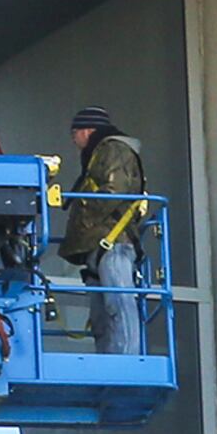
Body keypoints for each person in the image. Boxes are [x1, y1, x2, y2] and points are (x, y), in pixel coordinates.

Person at [55, 105, 152, 356]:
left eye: (74, 133)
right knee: (103, 316)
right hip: (102, 245)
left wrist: (85, 216)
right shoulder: (103, 153)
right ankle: (111, 361)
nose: (73, 140)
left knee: (119, 304)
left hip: (113, 242)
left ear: (87, 131)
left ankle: (127, 362)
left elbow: (113, 191)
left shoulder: (112, 149)